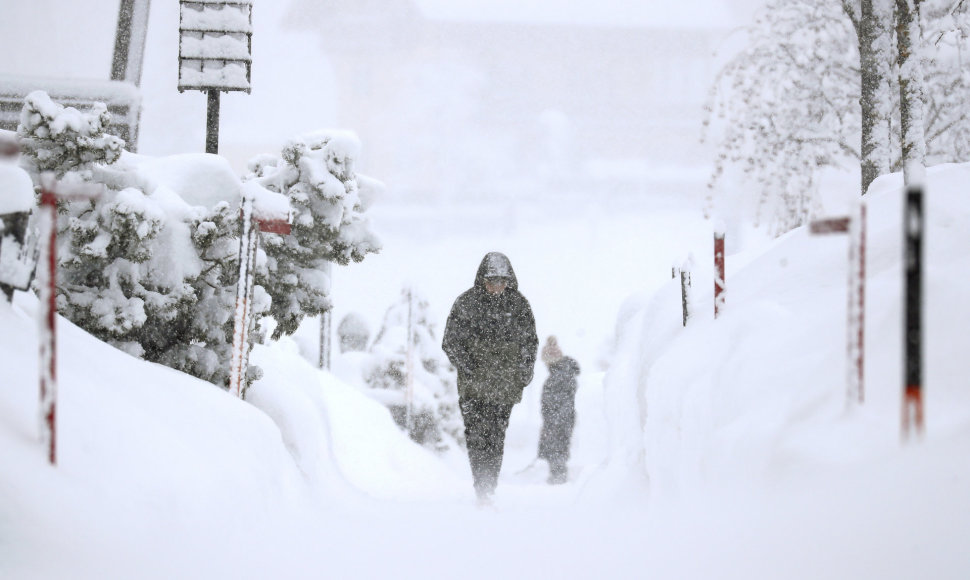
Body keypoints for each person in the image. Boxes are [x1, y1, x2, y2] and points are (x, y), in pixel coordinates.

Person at [442, 251, 538, 504]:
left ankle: (489, 486)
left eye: (502, 281)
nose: (497, 287)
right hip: (473, 388)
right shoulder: (466, 304)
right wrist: (469, 366)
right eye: (492, 281)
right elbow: (450, 341)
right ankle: (481, 487)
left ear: (509, 281)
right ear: (482, 279)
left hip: (504, 389)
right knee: (476, 437)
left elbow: (530, 342)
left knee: (496, 437)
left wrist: (524, 371)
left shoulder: (518, 305)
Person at [537, 336, 580, 484]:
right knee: (556, 446)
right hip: (558, 419)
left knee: (557, 447)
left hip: (560, 420)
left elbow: (565, 401)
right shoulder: (561, 375)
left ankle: (558, 476)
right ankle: (557, 474)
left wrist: (554, 421)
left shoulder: (561, 376)